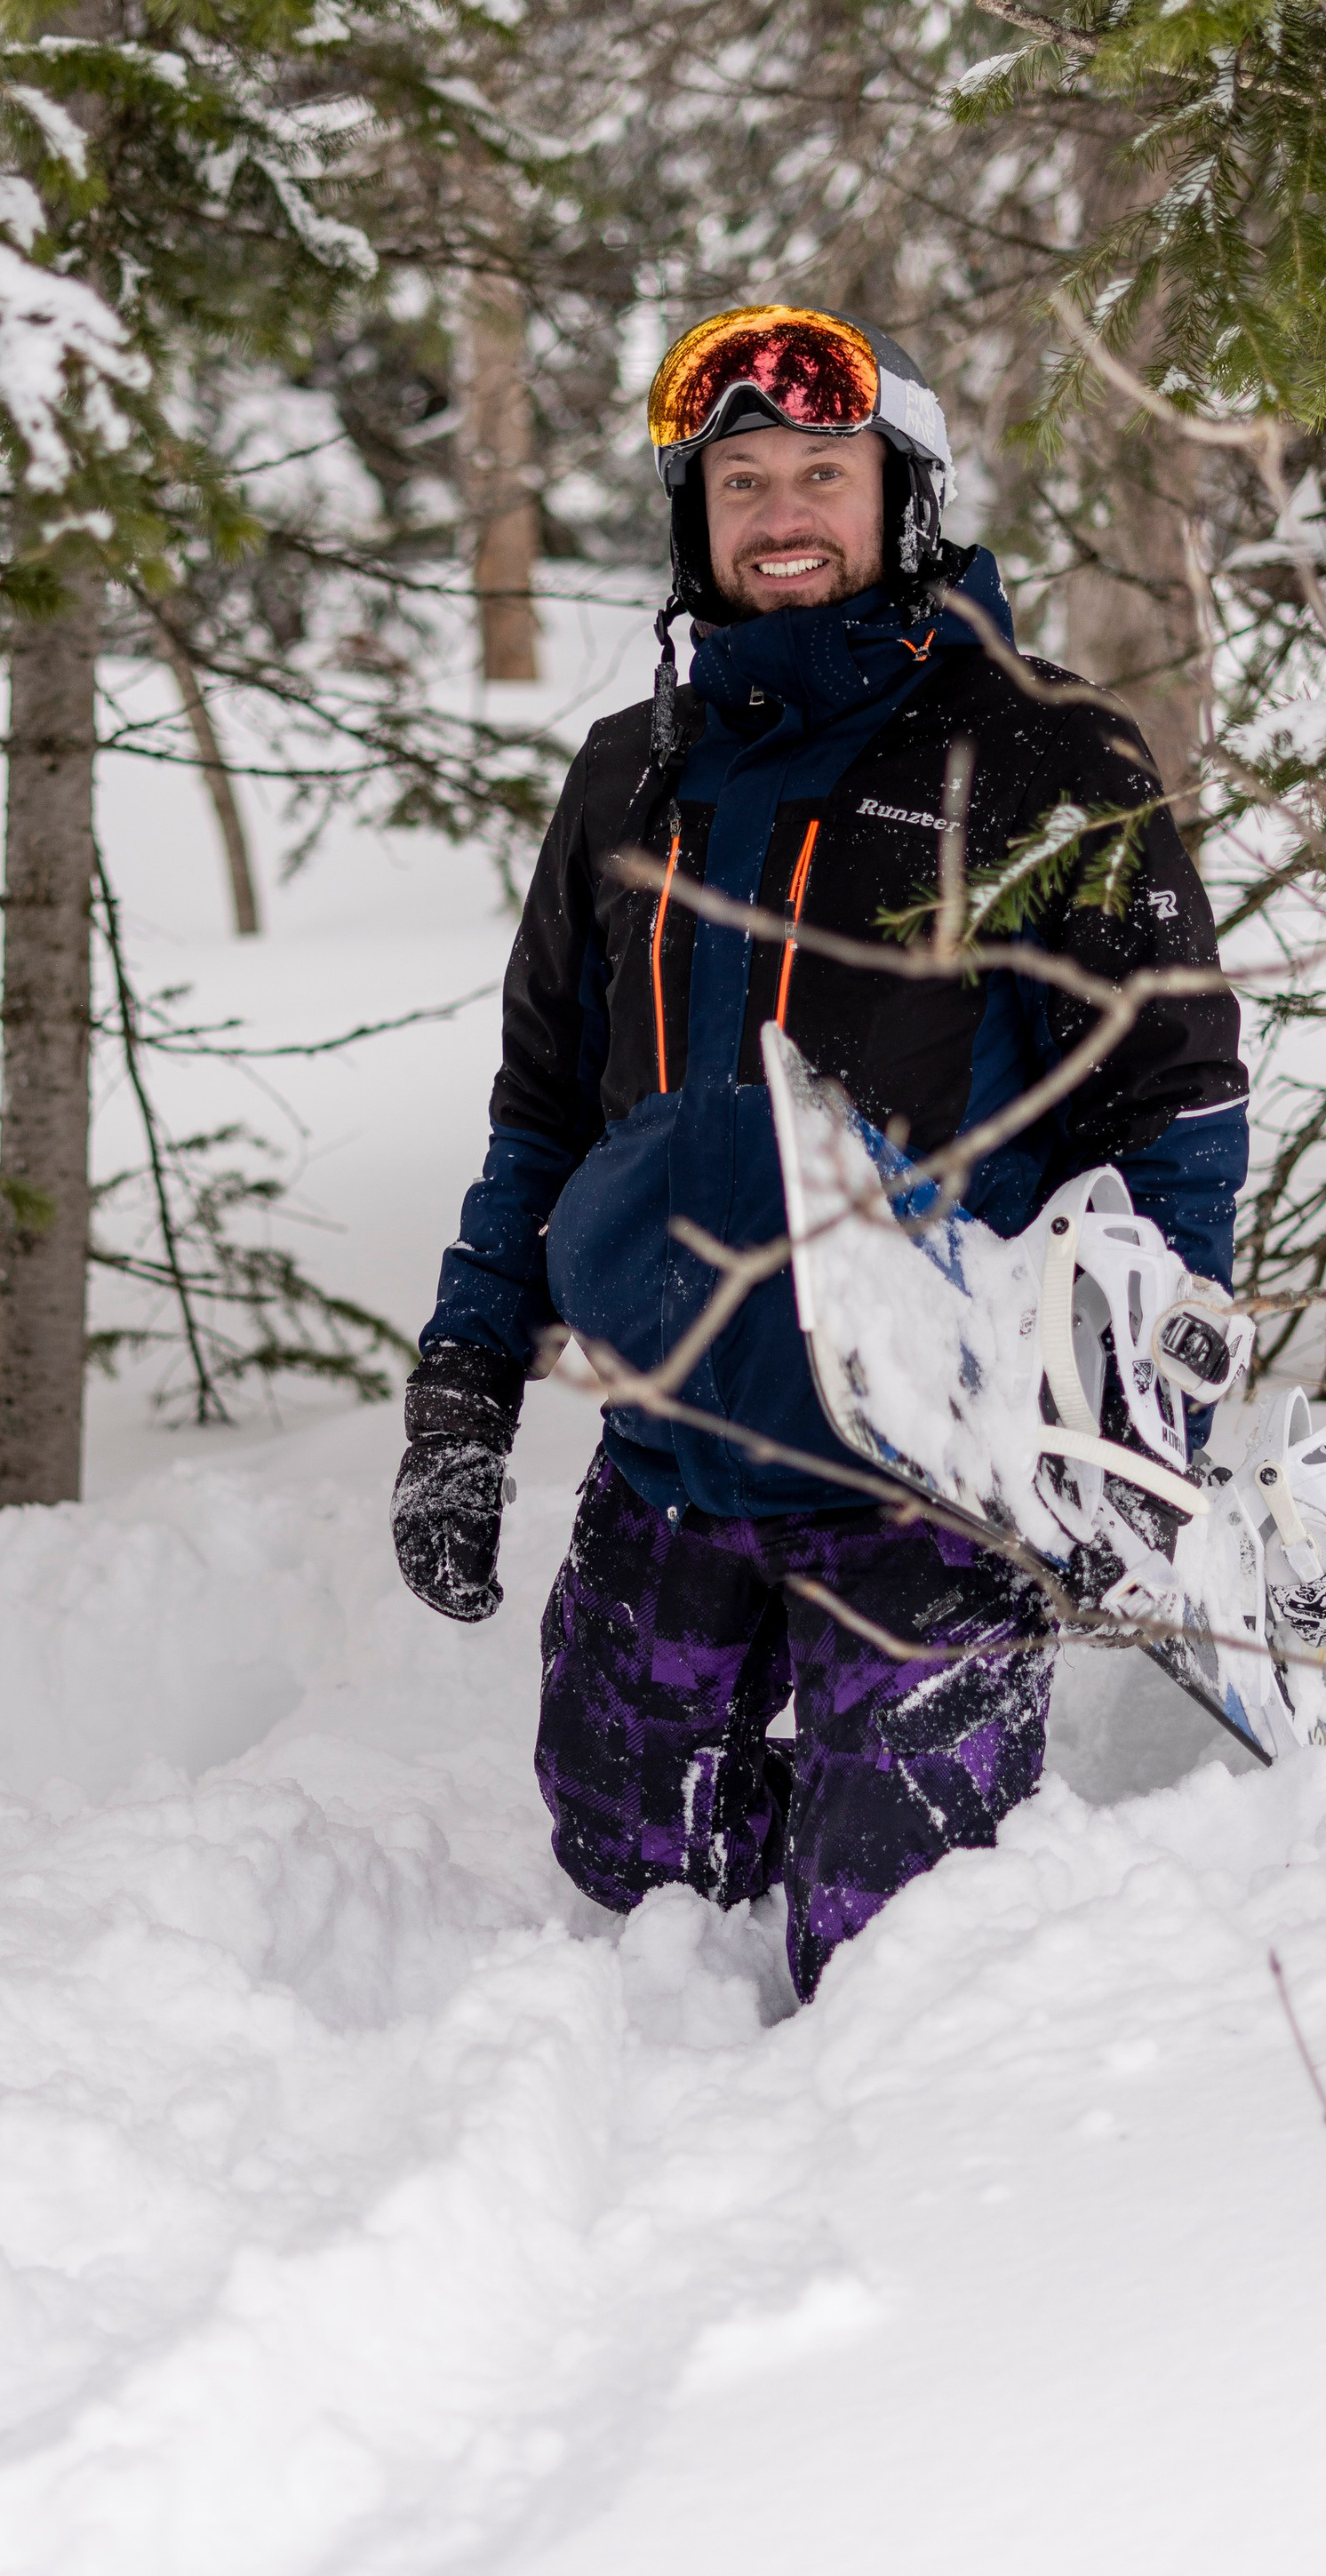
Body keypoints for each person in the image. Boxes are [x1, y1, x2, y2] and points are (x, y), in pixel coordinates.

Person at [392, 304, 1247, 2000]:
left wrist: (1143, 1415)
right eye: (744, 481)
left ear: (902, 497)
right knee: (619, 1850)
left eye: (824, 471)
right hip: (679, 1433)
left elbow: (1174, 1113)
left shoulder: (1040, 750)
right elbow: (542, 1116)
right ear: (697, 521)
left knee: (893, 1939)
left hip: (926, 1455)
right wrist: (463, 1388)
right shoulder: (630, 780)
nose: (782, 512)